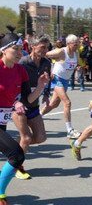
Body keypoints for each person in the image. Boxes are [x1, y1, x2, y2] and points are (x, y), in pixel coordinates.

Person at [0, 25, 49, 204]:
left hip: (2, 120)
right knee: (16, 155)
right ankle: (1, 195)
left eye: (22, 49)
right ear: (3, 50)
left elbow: (28, 99)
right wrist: (14, 102)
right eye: (16, 49)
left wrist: (42, 85)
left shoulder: (20, 70)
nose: (20, 52)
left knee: (16, 155)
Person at [11, 35, 51, 180]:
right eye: (42, 47)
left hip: (33, 104)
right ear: (33, 47)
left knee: (41, 137)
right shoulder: (22, 63)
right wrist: (15, 101)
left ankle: (14, 146)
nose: (46, 50)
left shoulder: (46, 62)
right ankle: (17, 166)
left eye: (47, 47)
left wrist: (46, 94)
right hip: (18, 105)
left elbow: (48, 79)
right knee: (26, 138)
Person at [40, 34, 81, 139]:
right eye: (75, 44)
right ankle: (70, 130)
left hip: (66, 81)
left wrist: (78, 69)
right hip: (57, 79)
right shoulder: (61, 52)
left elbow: (74, 65)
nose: (77, 45)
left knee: (54, 104)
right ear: (68, 43)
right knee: (67, 103)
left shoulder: (76, 53)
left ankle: (38, 116)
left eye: (78, 43)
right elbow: (44, 54)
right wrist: (48, 70)